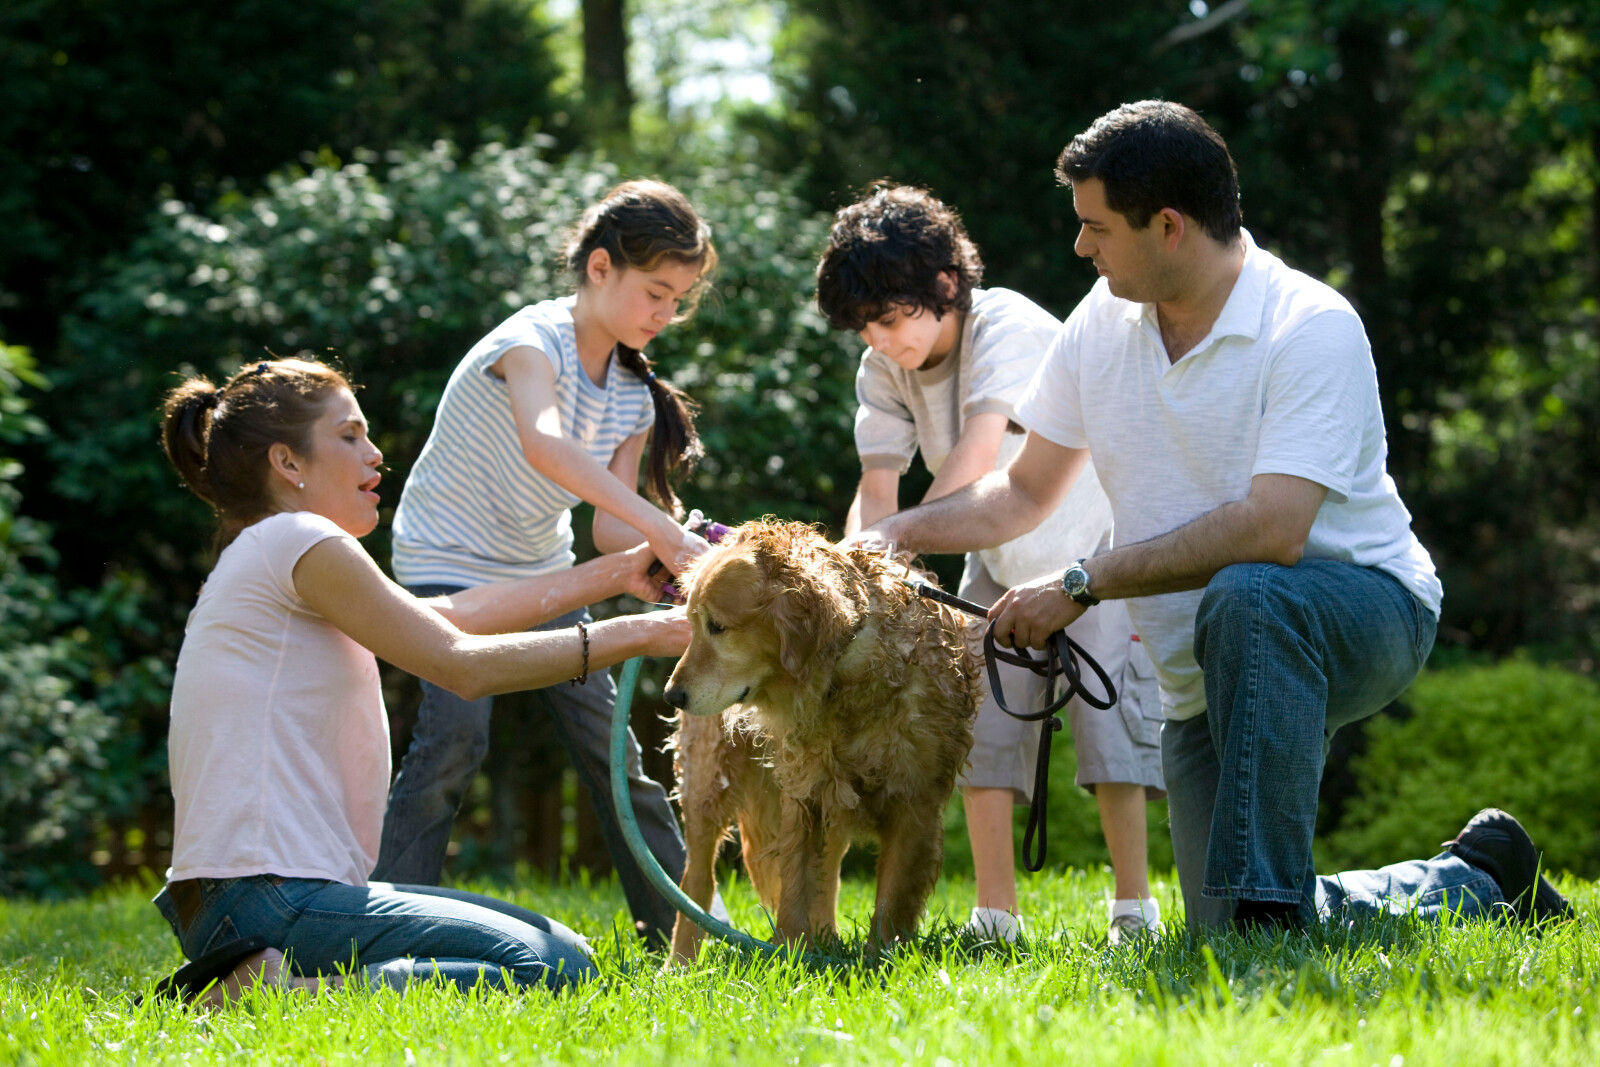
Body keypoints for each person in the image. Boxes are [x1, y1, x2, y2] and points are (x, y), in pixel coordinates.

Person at [844, 101, 1575, 931]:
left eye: (1095, 227)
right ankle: (1477, 877)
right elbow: (1022, 492)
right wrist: (896, 533)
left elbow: (1274, 529)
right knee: (1225, 920)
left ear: (1168, 227)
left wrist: (1083, 582)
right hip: (1200, 668)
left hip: (1364, 609)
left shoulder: (1309, 327)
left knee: (1250, 593)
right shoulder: (1098, 323)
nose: (1079, 247)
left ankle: (1272, 919)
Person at [151, 358, 691, 1002]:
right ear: (287, 464)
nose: (376, 455)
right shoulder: (298, 538)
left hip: (258, 898)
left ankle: (280, 977)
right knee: (555, 970)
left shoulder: (270, 554)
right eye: (349, 436)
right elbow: (461, 662)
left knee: (568, 953)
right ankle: (274, 992)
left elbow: (454, 616)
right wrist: (652, 633)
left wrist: (619, 574)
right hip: (266, 898)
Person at [817, 185, 1165, 945]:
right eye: (866, 325)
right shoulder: (882, 369)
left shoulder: (1008, 327)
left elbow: (980, 464)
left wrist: (895, 543)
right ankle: (995, 914)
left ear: (945, 284)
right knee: (982, 732)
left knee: (1112, 737)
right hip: (997, 562)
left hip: (1094, 552)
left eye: (892, 315)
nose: (880, 338)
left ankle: (1134, 907)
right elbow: (876, 491)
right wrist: (852, 573)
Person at [377, 180, 719, 942]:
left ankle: (676, 928)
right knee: (454, 741)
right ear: (600, 268)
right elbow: (545, 443)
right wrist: (660, 532)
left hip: (544, 573)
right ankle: (385, 929)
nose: (664, 315)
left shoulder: (632, 394)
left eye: (679, 300)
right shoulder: (531, 341)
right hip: (446, 564)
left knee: (613, 751)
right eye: (655, 292)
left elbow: (606, 533)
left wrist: (684, 546)